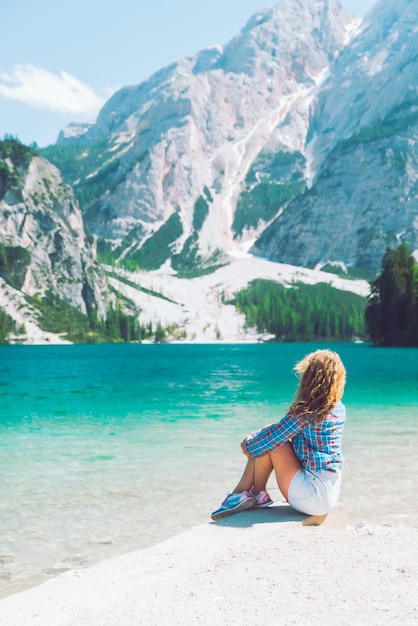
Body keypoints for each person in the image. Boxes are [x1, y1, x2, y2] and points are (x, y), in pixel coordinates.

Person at [211, 349, 346, 521]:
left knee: (271, 439)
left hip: (311, 496)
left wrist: (248, 443)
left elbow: (272, 439)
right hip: (329, 490)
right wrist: (260, 437)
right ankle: (257, 494)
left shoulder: (308, 412)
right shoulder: (338, 408)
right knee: (270, 435)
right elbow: (283, 433)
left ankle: (240, 493)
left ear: (310, 380)